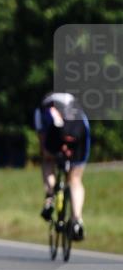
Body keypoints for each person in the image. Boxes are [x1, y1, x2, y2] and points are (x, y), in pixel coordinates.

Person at [34, 92, 90, 241]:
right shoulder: (75, 105)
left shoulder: (42, 109)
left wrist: (51, 154)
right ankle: (77, 219)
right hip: (79, 131)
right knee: (75, 179)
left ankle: (50, 196)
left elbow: (43, 142)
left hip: (56, 130)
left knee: (47, 161)